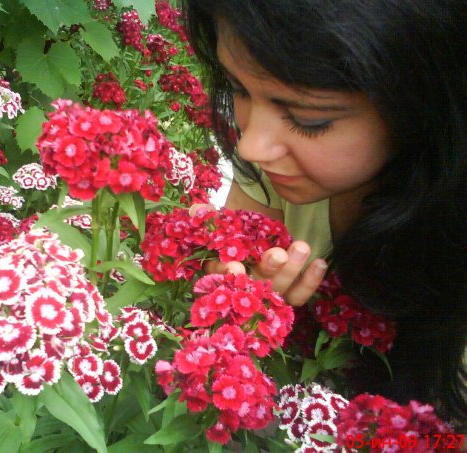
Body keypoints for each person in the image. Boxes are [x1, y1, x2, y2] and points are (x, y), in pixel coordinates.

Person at [182, 0, 467, 429]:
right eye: (238, 89)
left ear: (422, 106)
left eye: (307, 120)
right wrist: (237, 294)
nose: (250, 146)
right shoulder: (279, 171)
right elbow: (228, 267)